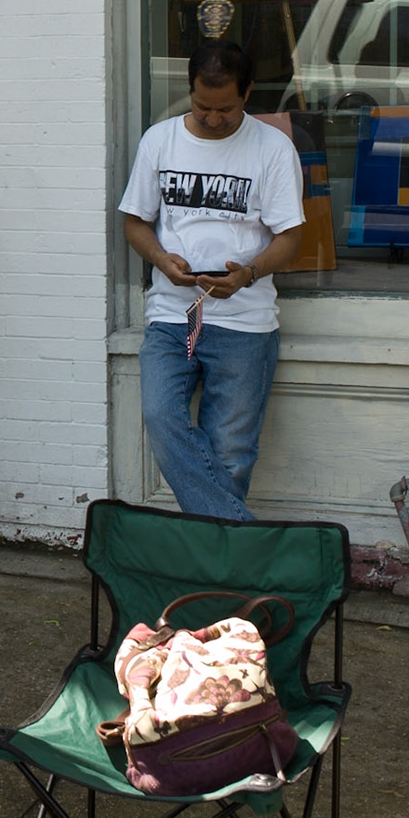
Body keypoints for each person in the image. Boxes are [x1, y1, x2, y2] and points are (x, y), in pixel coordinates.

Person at [118, 43, 304, 522]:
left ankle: (217, 563)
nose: (214, 118)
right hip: (172, 314)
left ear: (248, 93)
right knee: (161, 417)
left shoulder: (273, 148)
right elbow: (135, 222)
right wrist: (161, 259)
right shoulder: (160, 140)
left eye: (227, 109)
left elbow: (291, 238)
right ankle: (242, 541)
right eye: (203, 107)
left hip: (245, 320)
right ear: (190, 91)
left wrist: (249, 273)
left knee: (232, 453)